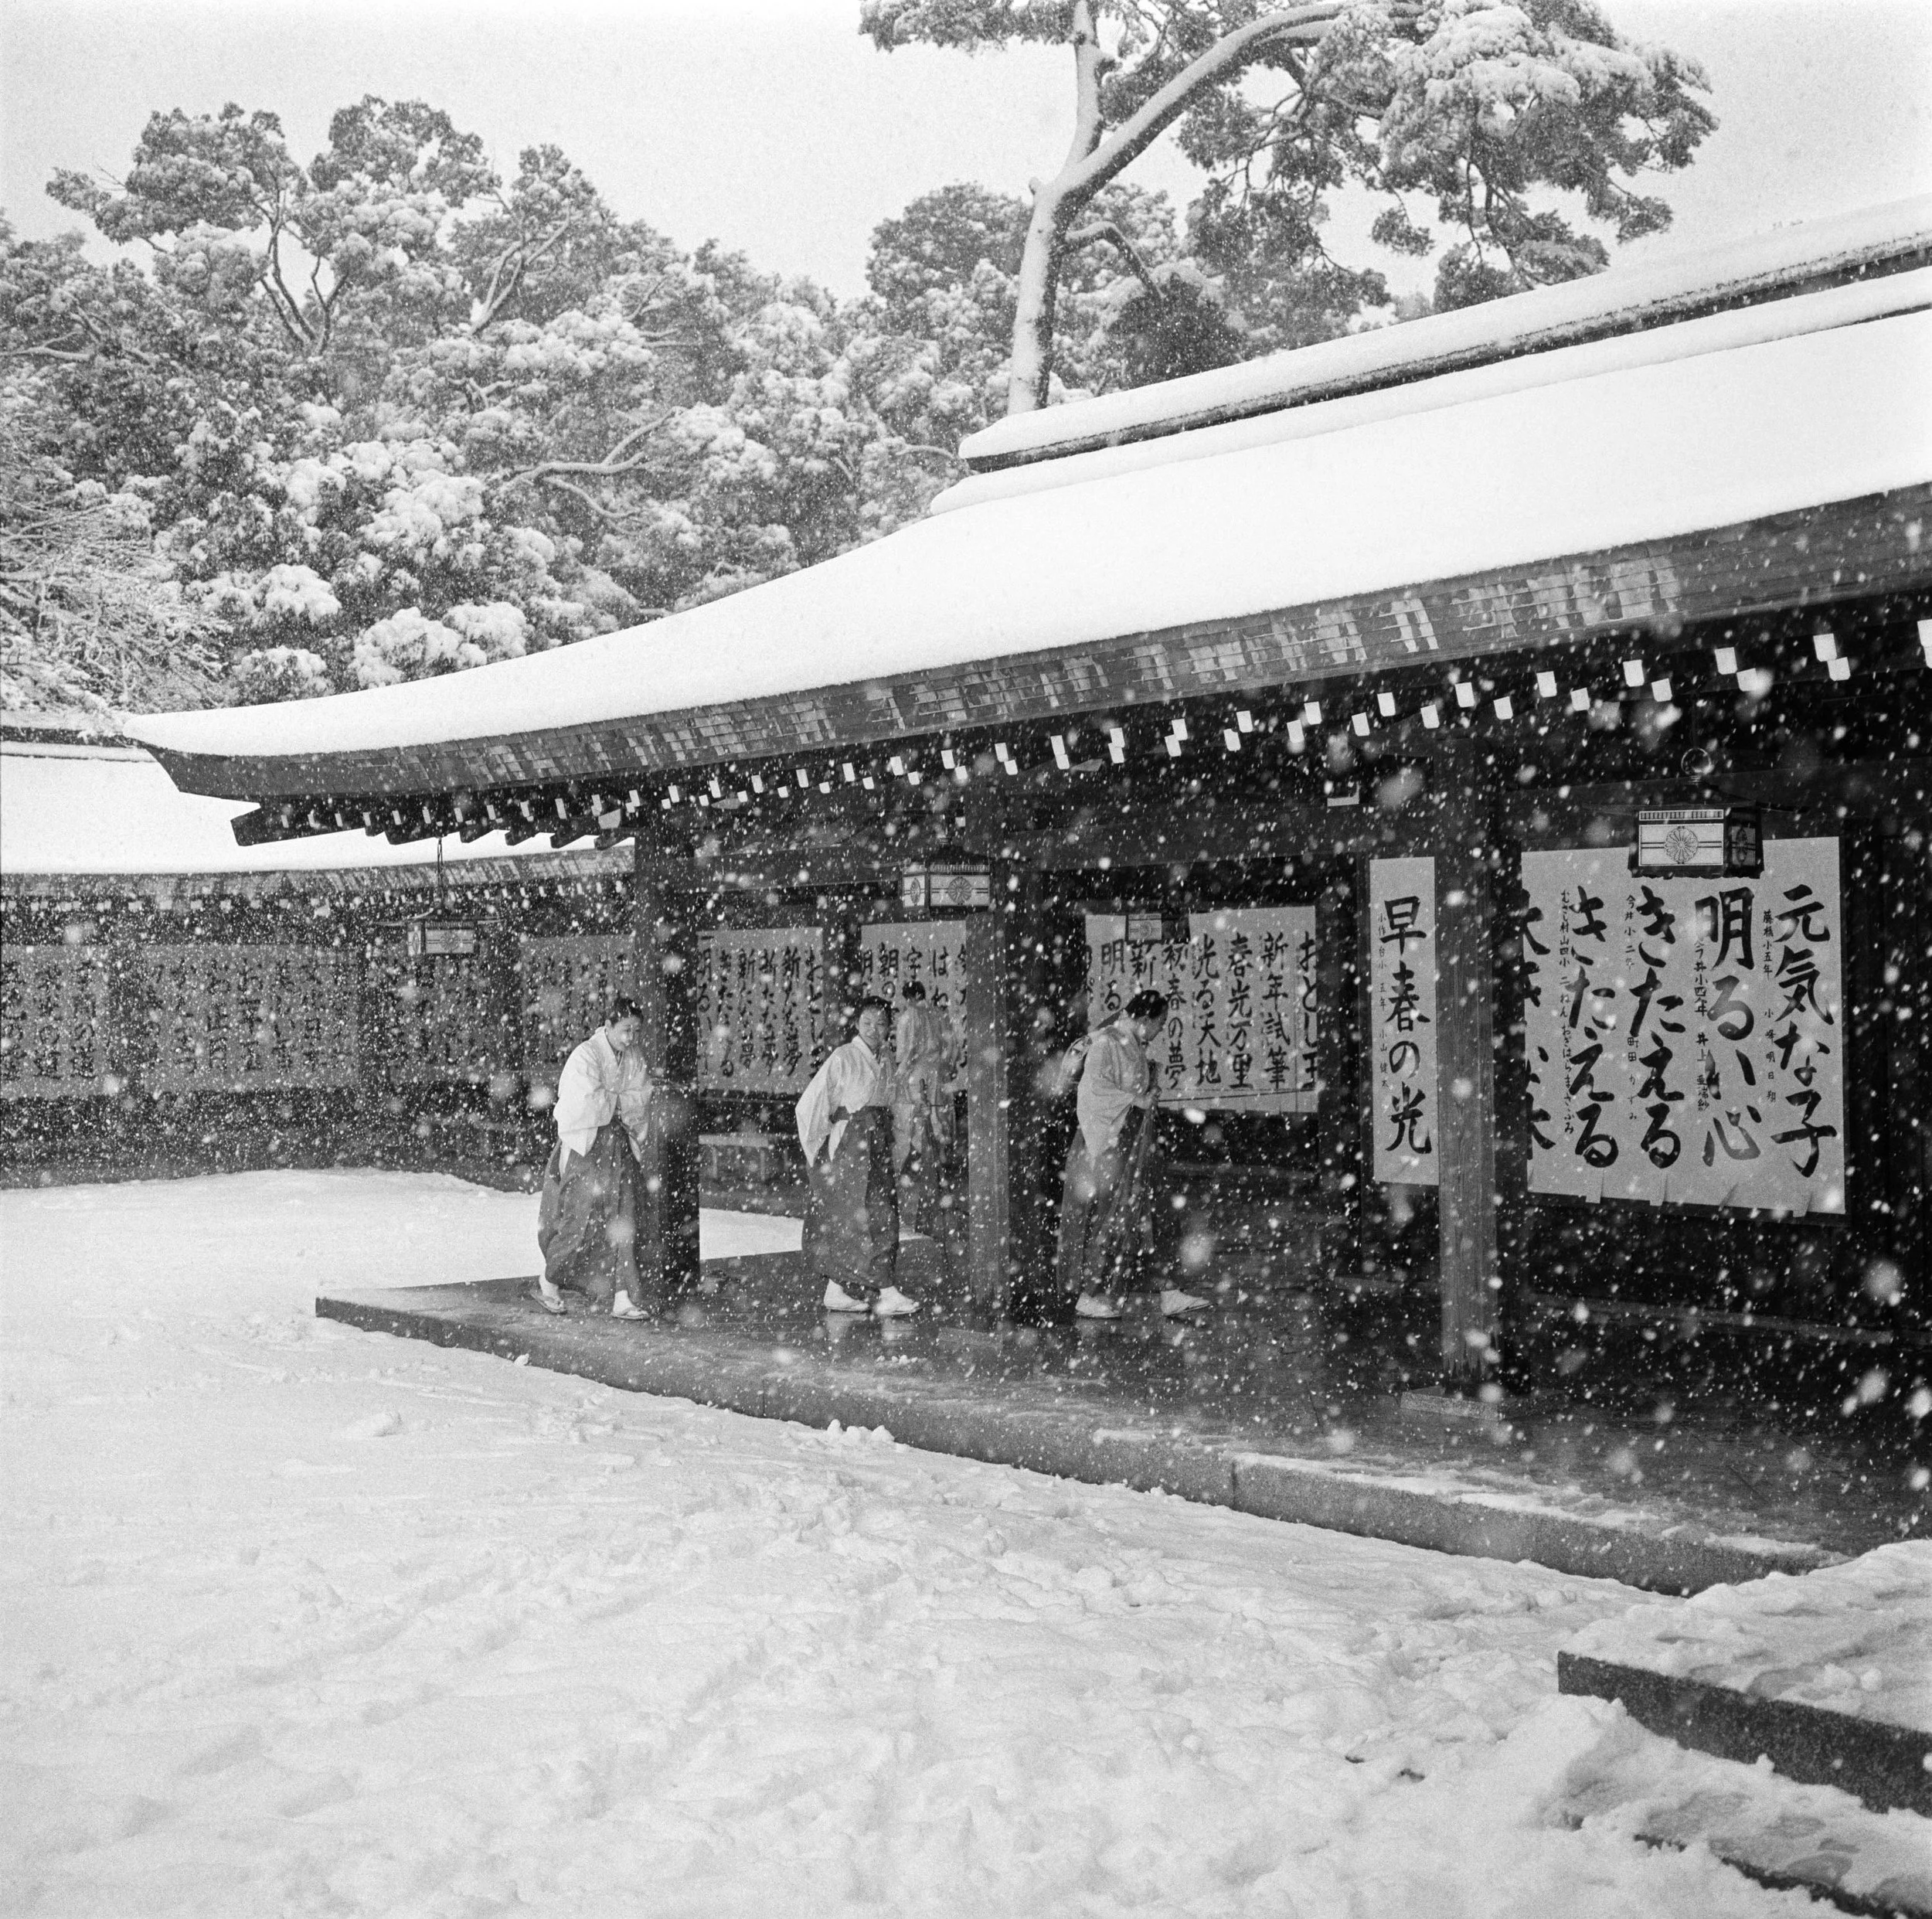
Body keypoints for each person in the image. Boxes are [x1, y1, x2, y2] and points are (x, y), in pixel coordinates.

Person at [1055, 988, 1208, 1322]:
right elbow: (1093, 1090)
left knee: (1156, 1211)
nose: (1160, 1029)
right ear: (1143, 1018)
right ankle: (1089, 1293)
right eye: (1160, 1022)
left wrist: (1148, 1091)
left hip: (1135, 1140)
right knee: (1109, 1218)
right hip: (1108, 1142)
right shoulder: (1108, 1041)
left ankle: (1168, 1291)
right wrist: (1135, 1101)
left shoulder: (1132, 1044)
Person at [795, 997, 919, 1318]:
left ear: (890, 1026)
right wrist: (818, 1153)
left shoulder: (887, 1060)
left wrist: (899, 1145)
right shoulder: (844, 1057)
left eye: (881, 1023)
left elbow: (899, 1106)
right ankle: (886, 1290)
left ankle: (835, 1290)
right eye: (867, 1023)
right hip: (850, 1146)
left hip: (877, 1144)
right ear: (857, 1024)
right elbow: (810, 1105)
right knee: (868, 1218)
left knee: (866, 1216)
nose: (874, 1030)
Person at [534, 995, 655, 1320]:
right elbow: (583, 1102)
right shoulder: (585, 1055)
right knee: (579, 1218)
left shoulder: (633, 1057)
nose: (631, 1038)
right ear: (609, 1025)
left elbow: (642, 1096)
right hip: (586, 1145)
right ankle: (549, 1282)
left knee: (623, 1219)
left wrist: (614, 1102)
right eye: (626, 1030)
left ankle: (621, 1296)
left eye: (636, 1031)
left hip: (618, 1143)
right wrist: (619, 1102)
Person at [892, 982, 952, 1231]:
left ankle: (919, 1205)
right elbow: (949, 1048)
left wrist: (898, 1075)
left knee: (915, 1132)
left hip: (917, 1075)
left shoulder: (909, 1018)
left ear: (909, 998)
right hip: (937, 1075)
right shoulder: (938, 1015)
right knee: (934, 1129)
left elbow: (908, 1052)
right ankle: (934, 1199)